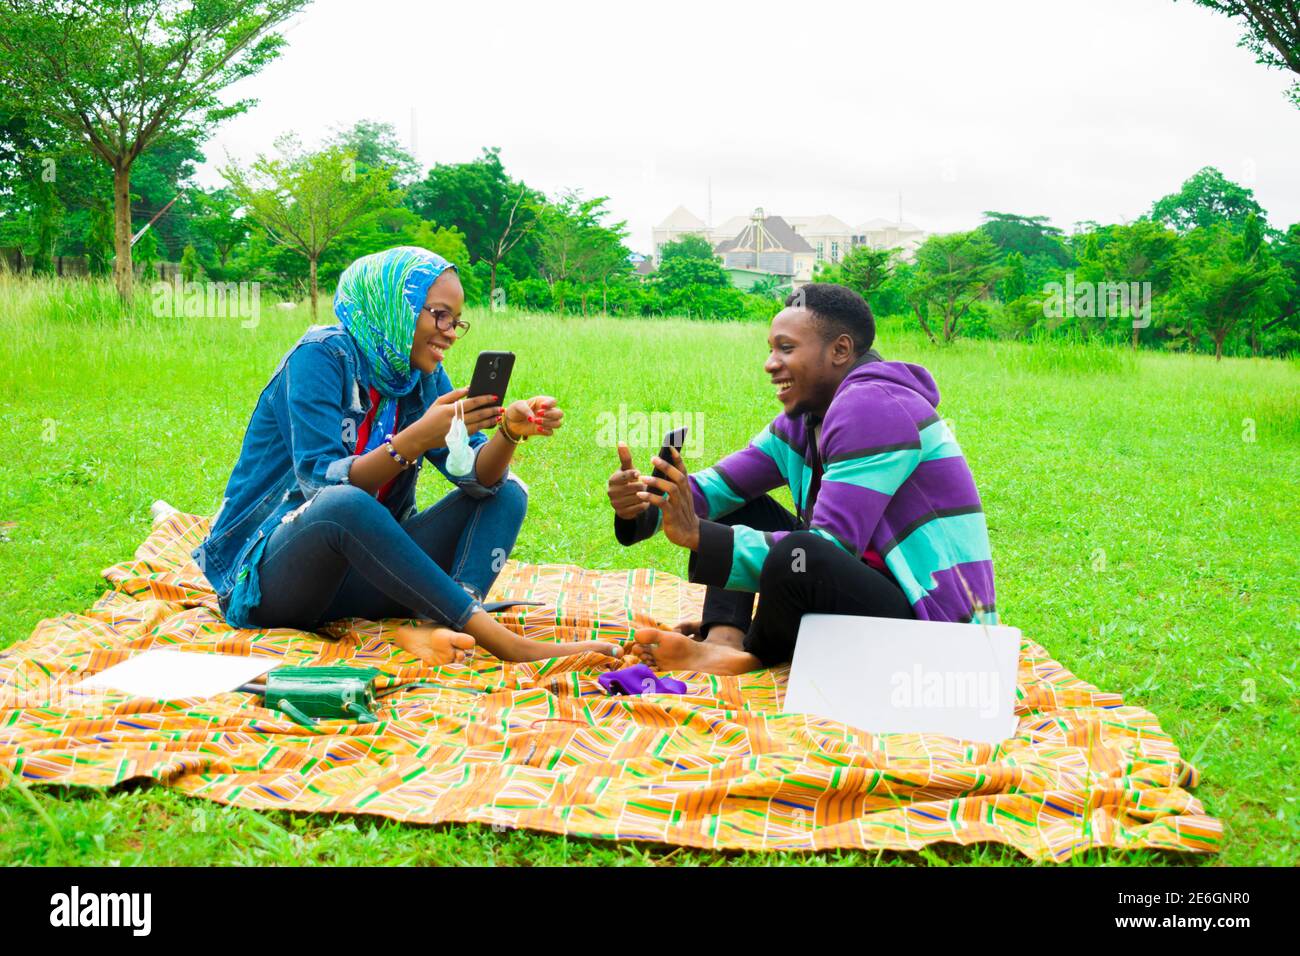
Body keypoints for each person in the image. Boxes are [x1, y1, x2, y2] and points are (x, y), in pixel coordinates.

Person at [196, 245, 621, 666]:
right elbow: (320, 485)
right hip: (272, 581)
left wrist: (508, 432)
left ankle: (449, 624)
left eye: (456, 321)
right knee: (343, 503)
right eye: (438, 314)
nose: (450, 332)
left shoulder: (417, 374)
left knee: (507, 491)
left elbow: (476, 476)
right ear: (394, 305)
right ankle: (498, 640)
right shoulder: (321, 357)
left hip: (365, 576)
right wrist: (414, 440)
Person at [606, 283, 996, 675]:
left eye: (786, 348)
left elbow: (830, 549)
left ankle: (753, 655)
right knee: (745, 510)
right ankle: (724, 638)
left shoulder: (874, 407)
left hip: (934, 628)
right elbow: (717, 490)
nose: (770, 364)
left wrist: (696, 534)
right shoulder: (803, 421)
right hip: (868, 596)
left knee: (803, 554)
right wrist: (641, 503)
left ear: (840, 350)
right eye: (771, 349)